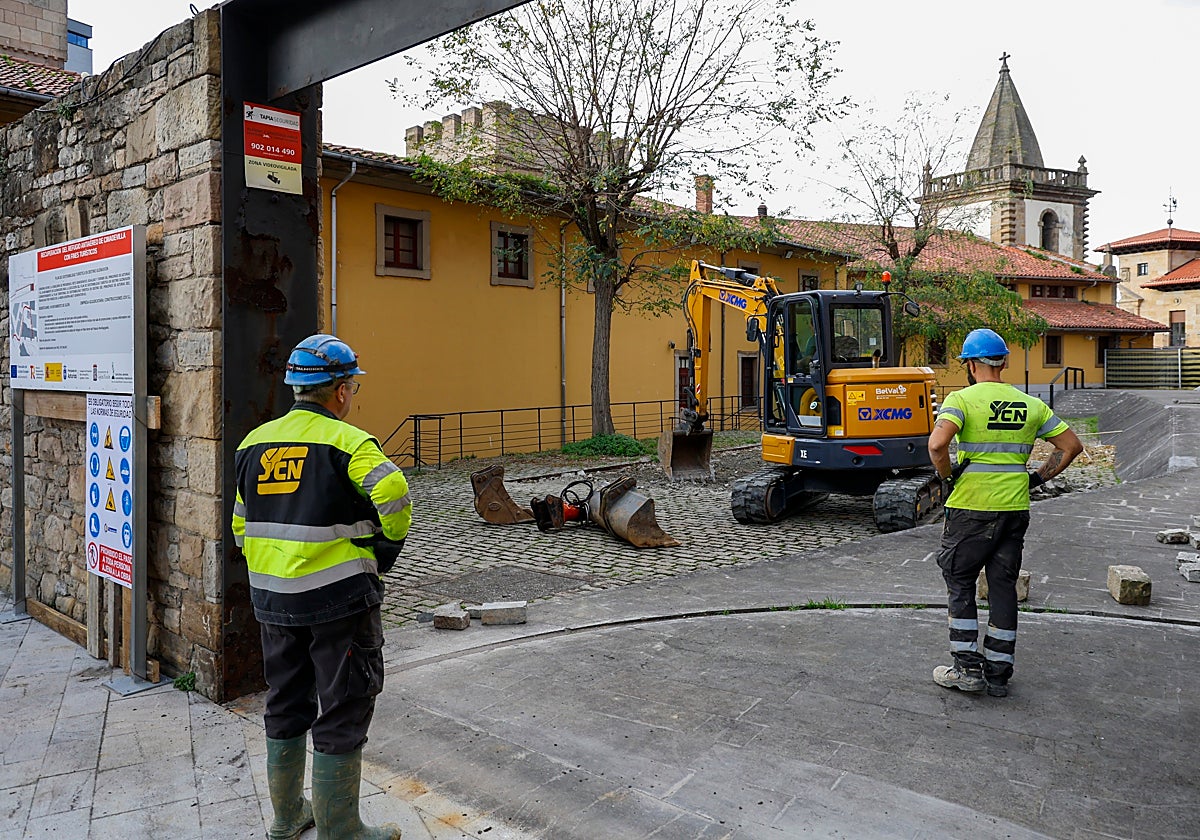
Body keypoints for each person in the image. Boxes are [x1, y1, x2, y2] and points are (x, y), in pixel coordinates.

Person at [232, 334, 412, 840]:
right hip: (338, 602)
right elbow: (394, 493)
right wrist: (383, 552)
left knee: (285, 699)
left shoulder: (253, 444)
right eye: (351, 387)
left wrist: (273, 568)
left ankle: (289, 816)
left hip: (273, 602)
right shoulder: (348, 443)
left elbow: (242, 524)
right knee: (343, 703)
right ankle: (341, 830)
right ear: (339, 392)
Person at [927, 328, 1082, 698]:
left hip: (971, 509)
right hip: (1014, 509)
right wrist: (1035, 479)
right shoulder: (1030, 404)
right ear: (1004, 362)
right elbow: (1071, 446)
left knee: (960, 580)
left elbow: (936, 445)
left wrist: (948, 476)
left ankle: (966, 669)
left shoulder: (961, 401)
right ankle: (998, 672)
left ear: (969, 364)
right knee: (1002, 588)